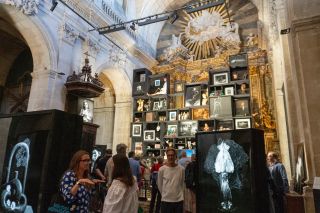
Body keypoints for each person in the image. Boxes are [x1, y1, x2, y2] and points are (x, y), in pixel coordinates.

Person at [157, 148, 185, 213]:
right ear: (166, 156)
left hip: (178, 200)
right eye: (168, 155)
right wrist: (165, 194)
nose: (170, 157)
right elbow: (159, 184)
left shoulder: (181, 169)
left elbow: (183, 184)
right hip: (166, 200)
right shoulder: (162, 169)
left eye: (172, 155)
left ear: (175, 156)